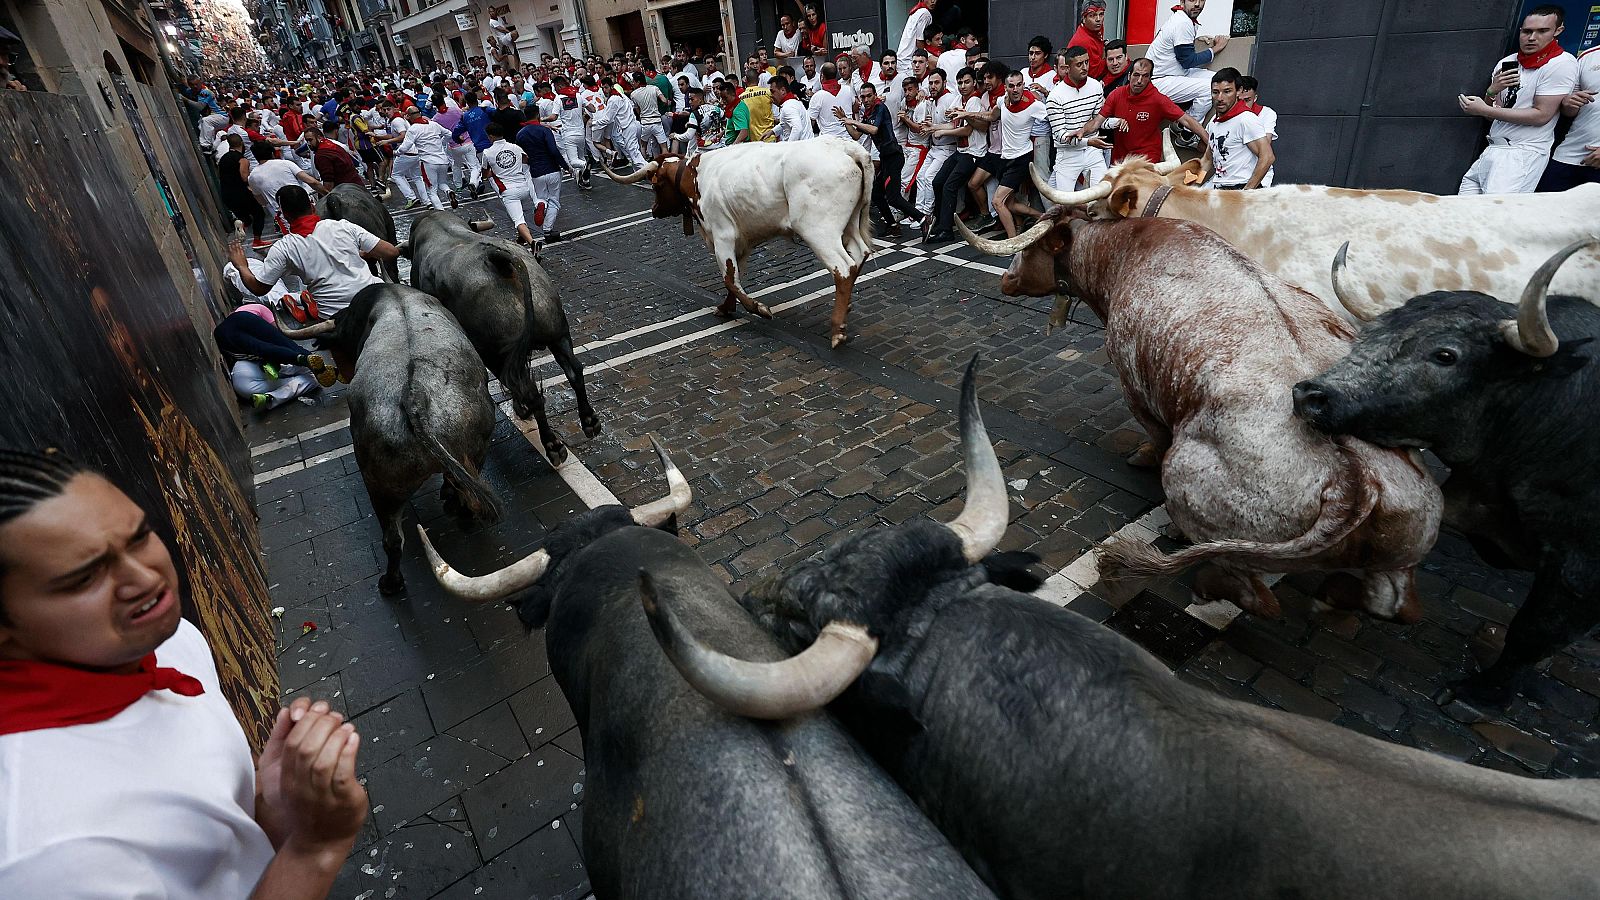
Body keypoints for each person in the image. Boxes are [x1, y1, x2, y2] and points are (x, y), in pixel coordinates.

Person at [0, 450, 367, 897]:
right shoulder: (47, 855)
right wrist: (317, 849)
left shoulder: (167, 639)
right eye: (84, 578)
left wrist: (269, 805)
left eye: (139, 537)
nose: (145, 578)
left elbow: (224, 849)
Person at [228, 186, 401, 319]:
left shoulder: (283, 248)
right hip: (374, 295)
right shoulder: (344, 226)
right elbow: (391, 252)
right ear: (312, 207)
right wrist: (362, 254)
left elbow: (258, 288)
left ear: (285, 216)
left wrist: (242, 265)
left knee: (342, 359)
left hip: (334, 313)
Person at [1459, 5, 1578, 194]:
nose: (1532, 38)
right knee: (1463, 213)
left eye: (1542, 31)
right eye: (1527, 31)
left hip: (1522, 153)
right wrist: (1491, 92)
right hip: (1492, 149)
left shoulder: (1561, 63)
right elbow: (1492, 115)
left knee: (1497, 218)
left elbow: (1541, 115)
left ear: (1558, 31)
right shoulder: (1508, 61)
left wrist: (1483, 109)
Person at [954, 70, 1048, 238]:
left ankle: (1013, 242)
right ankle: (1043, 217)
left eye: (1019, 85)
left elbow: (1054, 118)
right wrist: (967, 113)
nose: (1016, 89)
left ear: (1023, 85)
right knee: (1010, 203)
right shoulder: (1002, 101)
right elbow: (991, 116)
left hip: (1021, 159)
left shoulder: (1035, 105)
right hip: (1005, 158)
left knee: (997, 202)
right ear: (1006, 88)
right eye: (1011, 86)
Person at [837, 81, 928, 236]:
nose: (866, 100)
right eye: (863, 97)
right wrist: (845, 120)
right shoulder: (868, 113)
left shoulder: (879, 108)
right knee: (876, 193)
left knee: (893, 197)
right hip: (886, 157)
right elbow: (856, 135)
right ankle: (892, 225)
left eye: (869, 96)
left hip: (894, 156)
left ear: (875, 96)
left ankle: (923, 219)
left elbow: (873, 129)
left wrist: (852, 121)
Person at [1091, 57, 1208, 166]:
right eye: (1136, 75)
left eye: (1145, 76)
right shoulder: (1116, 94)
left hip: (1147, 159)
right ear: (1129, 76)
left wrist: (1209, 142)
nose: (1139, 81)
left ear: (1150, 78)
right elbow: (1097, 120)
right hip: (1120, 159)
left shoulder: (1158, 99)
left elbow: (1186, 120)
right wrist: (1081, 133)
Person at [214, 302, 332, 410]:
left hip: (229, 337)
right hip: (244, 326)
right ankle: (302, 358)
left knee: (265, 348)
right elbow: (279, 339)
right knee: (274, 346)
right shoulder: (260, 310)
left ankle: (302, 360)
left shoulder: (240, 314)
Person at [1148, 0, 1229, 143]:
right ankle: (1187, 135)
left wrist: (1197, 39)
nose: (1197, 4)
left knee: (1217, 80)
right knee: (1210, 88)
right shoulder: (1182, 22)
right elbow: (1188, 61)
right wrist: (1215, 49)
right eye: (1192, 0)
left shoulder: (1184, 19)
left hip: (1175, 73)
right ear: (1182, 1)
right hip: (1159, 81)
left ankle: (1179, 125)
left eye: (1201, 0)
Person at [926, 67, 989, 242]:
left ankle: (946, 230)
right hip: (961, 151)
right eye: (960, 82)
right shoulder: (958, 99)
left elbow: (967, 130)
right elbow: (953, 125)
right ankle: (939, 223)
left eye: (967, 82)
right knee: (938, 182)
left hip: (974, 153)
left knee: (949, 186)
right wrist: (934, 128)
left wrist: (942, 133)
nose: (962, 86)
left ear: (974, 83)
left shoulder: (974, 101)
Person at [1539, 44, 1600, 191]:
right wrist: (1568, 103)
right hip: (1569, 153)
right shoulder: (1588, 56)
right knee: (1545, 208)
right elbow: (1570, 111)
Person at [1047, 47, 1107, 192]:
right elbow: (1061, 137)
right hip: (1068, 154)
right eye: (1079, 64)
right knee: (1065, 203)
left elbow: (1098, 120)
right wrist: (1088, 141)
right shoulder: (1054, 97)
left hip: (1093, 151)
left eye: (1087, 62)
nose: (1085, 67)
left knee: (1102, 194)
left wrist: (1117, 121)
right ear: (1067, 68)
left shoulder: (1096, 86)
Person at [1205, 68, 1273, 189]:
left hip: (1240, 189)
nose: (1220, 98)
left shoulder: (1246, 119)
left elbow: (1267, 157)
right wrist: (1192, 183)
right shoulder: (1213, 122)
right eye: (1215, 92)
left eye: (1227, 91)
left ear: (1238, 91)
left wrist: (1247, 192)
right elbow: (1207, 161)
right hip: (1220, 190)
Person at [514, 115, 572, 252]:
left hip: (536, 172)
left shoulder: (520, 135)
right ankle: (548, 230)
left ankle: (541, 204)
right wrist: (565, 166)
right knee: (554, 201)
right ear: (538, 116)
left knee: (542, 197)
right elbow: (553, 150)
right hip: (552, 169)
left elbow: (521, 155)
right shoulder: (544, 131)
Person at [249, 142, 329, 234]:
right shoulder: (286, 163)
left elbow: (262, 201)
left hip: (284, 218)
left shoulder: (253, 176)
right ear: (272, 153)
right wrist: (327, 194)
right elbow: (312, 181)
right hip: (305, 208)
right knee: (320, 233)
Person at [914, 69, 959, 221]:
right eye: (931, 83)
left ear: (944, 83)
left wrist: (934, 127)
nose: (933, 86)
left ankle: (928, 216)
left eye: (936, 83)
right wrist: (929, 127)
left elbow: (954, 125)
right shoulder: (934, 99)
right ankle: (917, 214)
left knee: (928, 178)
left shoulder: (950, 99)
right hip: (935, 147)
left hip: (947, 148)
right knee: (920, 177)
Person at [219, 134, 270, 250]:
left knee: (244, 216)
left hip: (226, 194)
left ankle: (242, 223)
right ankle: (257, 240)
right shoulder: (242, 160)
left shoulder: (223, 159)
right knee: (259, 214)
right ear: (241, 143)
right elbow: (245, 178)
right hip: (241, 193)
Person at [396, 107, 452, 210]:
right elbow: (449, 134)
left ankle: (442, 212)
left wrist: (397, 152)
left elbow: (405, 147)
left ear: (409, 116)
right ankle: (449, 191)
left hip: (428, 162)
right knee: (442, 183)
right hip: (443, 160)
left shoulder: (413, 129)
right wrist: (442, 141)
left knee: (432, 191)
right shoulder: (433, 124)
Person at [1237, 75, 1277, 187]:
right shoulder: (1222, 115)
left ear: (1255, 98)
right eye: (1239, 100)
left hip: (1259, 172)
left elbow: (1266, 148)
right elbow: (1207, 151)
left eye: (1247, 100)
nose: (1243, 105)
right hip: (1228, 174)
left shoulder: (1267, 113)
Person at [1067, 0, 1108, 82]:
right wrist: (1108, 54)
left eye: (1101, 14)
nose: (1098, 19)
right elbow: (1094, 73)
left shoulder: (1096, 28)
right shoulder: (1084, 41)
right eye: (1092, 15)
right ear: (1084, 18)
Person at [897, 0, 936, 66]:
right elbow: (919, 40)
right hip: (910, 60)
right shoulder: (925, 13)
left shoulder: (917, 11)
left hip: (903, 58)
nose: (933, 1)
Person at [772, 76, 811, 141]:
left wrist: (789, 148)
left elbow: (797, 128)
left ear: (783, 91)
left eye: (773, 92)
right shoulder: (792, 102)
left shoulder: (789, 106)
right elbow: (785, 122)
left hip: (800, 148)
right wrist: (772, 131)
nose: (771, 95)